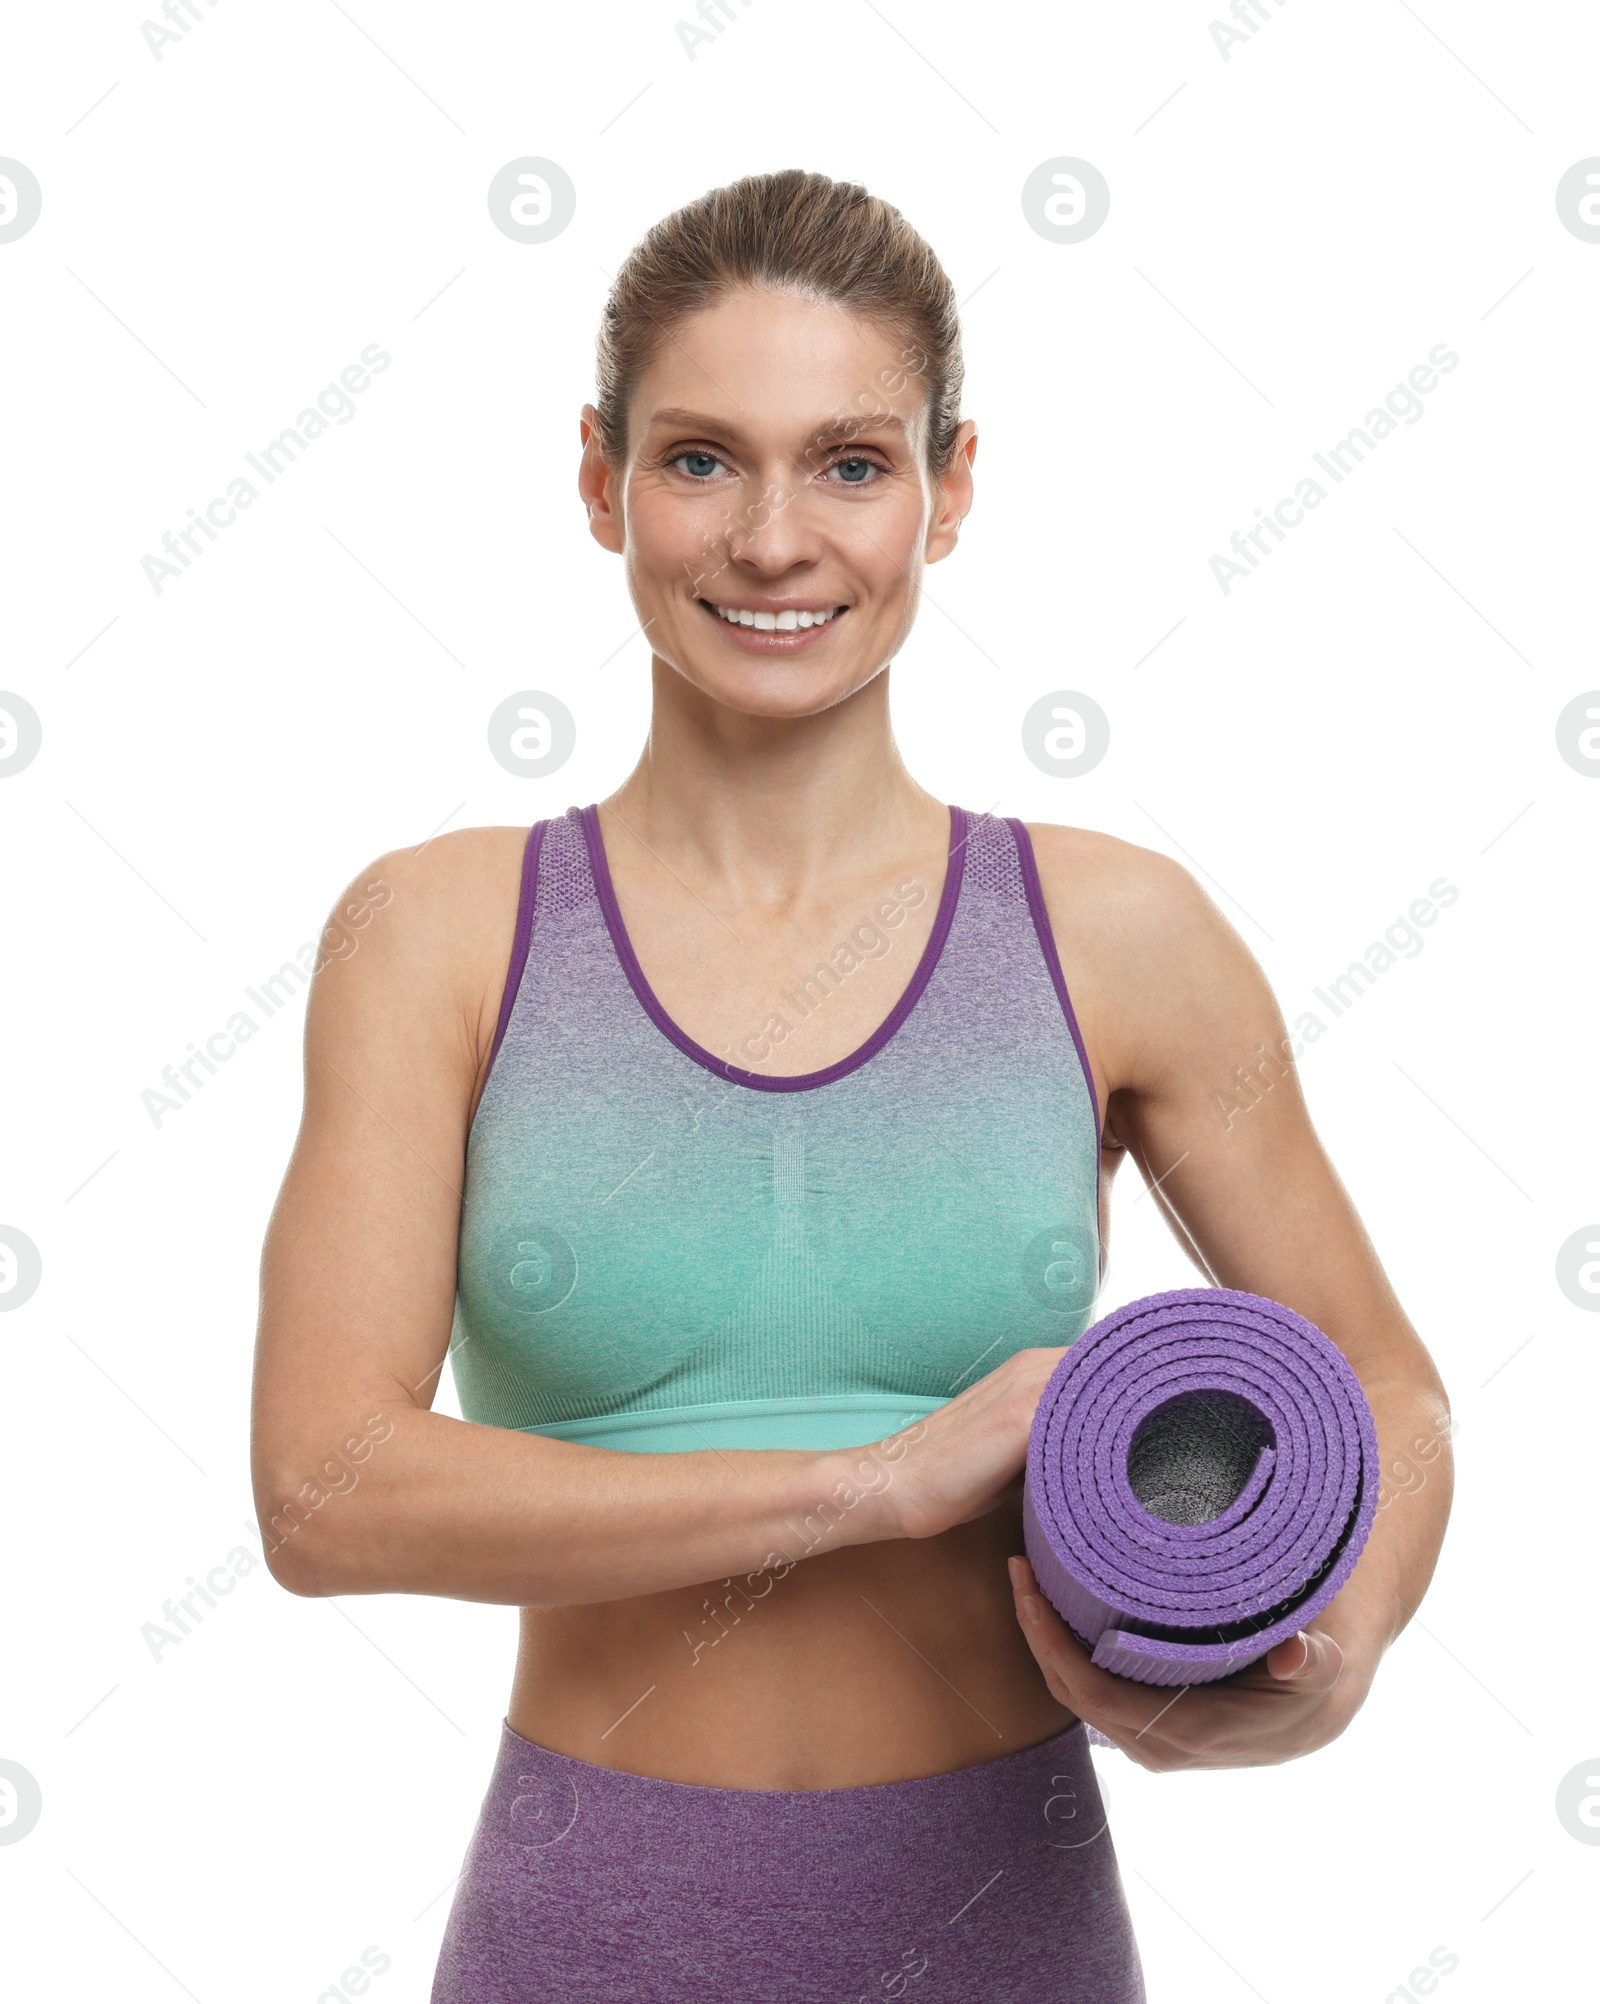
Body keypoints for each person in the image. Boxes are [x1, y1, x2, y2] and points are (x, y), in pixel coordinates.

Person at [250, 169, 1452, 2003]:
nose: (773, 540)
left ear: (951, 488)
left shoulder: (1116, 929)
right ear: (601, 480)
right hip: (592, 1936)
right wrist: (871, 1488)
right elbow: (323, 1494)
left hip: (1011, 1937)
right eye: (703, 459)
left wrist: (1332, 1661)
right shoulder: (440, 933)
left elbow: (1383, 1385)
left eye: (852, 463)